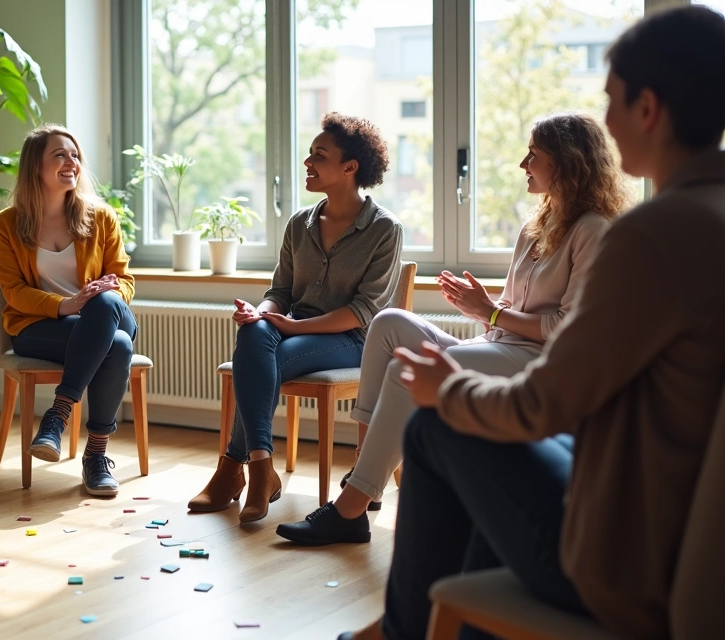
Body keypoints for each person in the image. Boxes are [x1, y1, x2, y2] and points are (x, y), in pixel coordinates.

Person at [340, 6, 725, 639]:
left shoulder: (649, 236)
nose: (607, 122)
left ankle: (405, 629)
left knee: (438, 427)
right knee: (491, 448)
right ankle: (451, 619)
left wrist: (446, 390)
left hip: (626, 563)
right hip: (685, 537)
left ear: (649, 108)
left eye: (612, 102)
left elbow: (542, 405)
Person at [276, 114, 629, 546]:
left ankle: (349, 510)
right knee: (388, 324)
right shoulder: (537, 224)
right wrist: (486, 306)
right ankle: (363, 470)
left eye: (534, 155)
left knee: (409, 368)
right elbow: (513, 310)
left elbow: (565, 329)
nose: (523, 164)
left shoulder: (592, 230)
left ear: (568, 163)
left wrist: (492, 313)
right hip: (500, 343)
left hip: (538, 360)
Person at [188, 112, 404, 523]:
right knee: (254, 335)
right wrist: (263, 313)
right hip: (292, 334)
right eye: (309, 154)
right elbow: (280, 294)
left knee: (262, 353)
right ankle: (259, 467)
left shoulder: (384, 229)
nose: (308, 162)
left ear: (349, 167)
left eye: (319, 155)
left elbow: (364, 311)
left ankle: (234, 469)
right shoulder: (299, 224)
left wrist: (291, 326)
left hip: (354, 341)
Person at [0, 124, 137, 496]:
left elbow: (124, 280)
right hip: (40, 327)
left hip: (106, 315)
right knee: (117, 347)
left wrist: (105, 291)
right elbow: (14, 292)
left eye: (75, 155)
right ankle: (97, 456)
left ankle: (57, 415)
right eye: (60, 155)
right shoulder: (5, 225)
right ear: (34, 166)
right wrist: (66, 304)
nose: (71, 162)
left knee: (105, 304)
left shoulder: (101, 217)